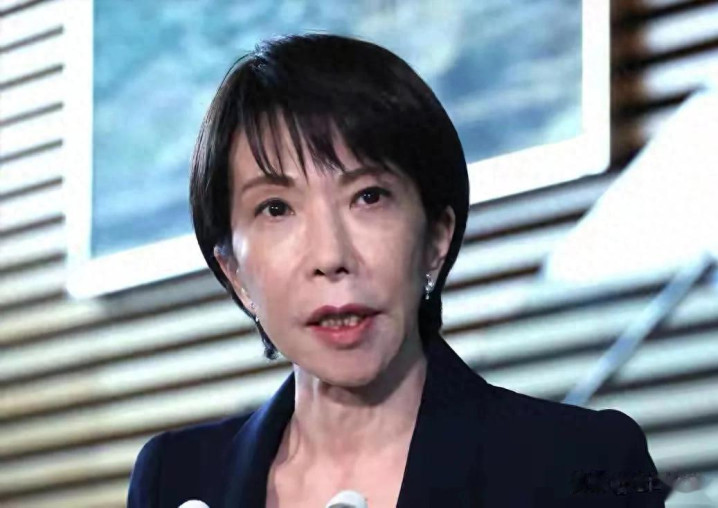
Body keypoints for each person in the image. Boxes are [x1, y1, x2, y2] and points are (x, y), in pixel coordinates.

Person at [127, 33, 669, 507]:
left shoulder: (578, 465)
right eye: (276, 208)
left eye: (368, 196)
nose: (330, 255)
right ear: (235, 273)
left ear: (435, 238)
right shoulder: (175, 479)